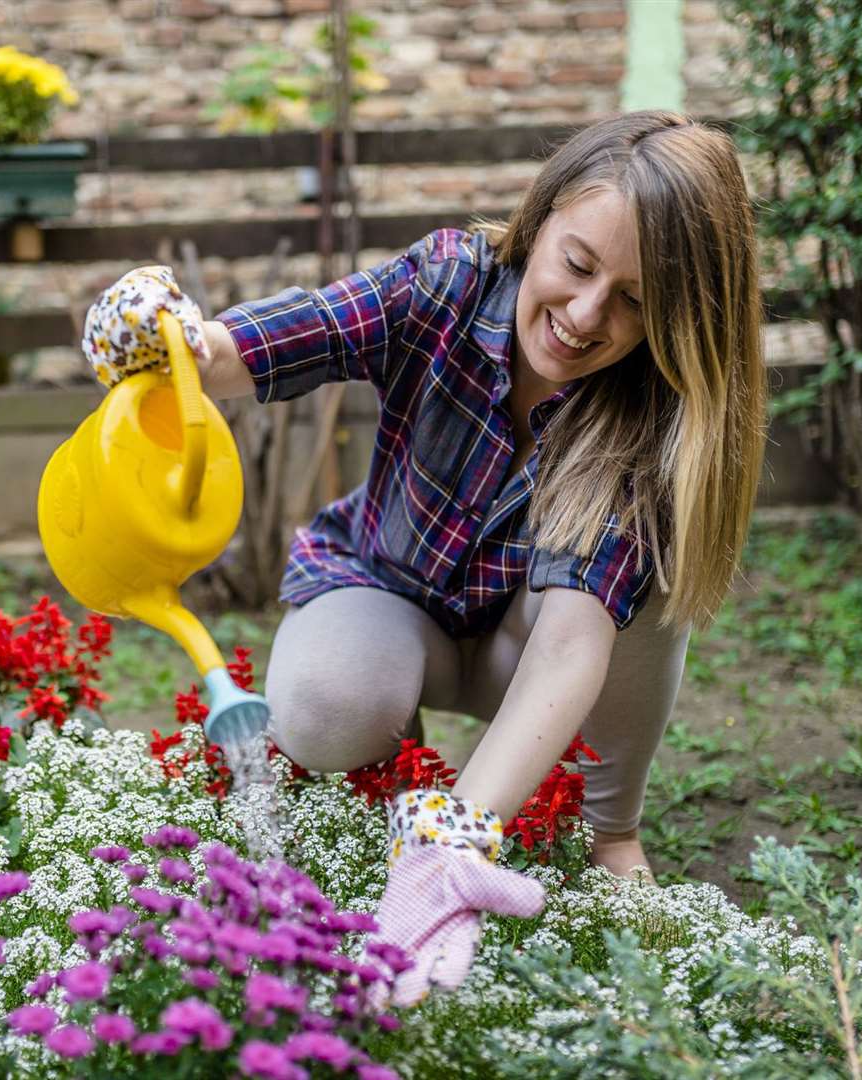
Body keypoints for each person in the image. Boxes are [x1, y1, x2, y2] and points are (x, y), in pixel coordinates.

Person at [81, 110, 766, 1005]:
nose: (586, 316)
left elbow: (567, 648)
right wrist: (171, 344)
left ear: (678, 317)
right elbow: (284, 338)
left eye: (636, 301)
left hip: (528, 649)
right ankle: (394, 773)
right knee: (325, 706)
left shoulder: (651, 418)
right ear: (542, 218)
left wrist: (452, 847)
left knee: (643, 615)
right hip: (388, 592)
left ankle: (609, 833)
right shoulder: (446, 282)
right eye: (578, 265)